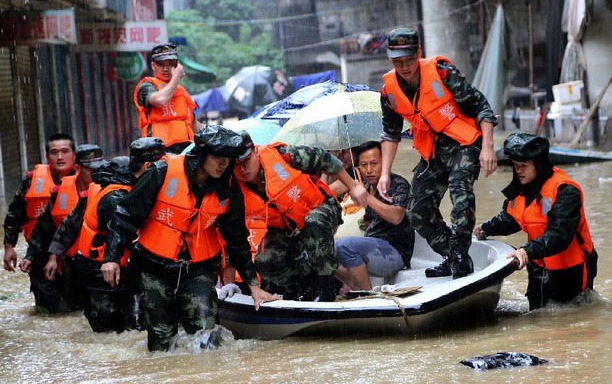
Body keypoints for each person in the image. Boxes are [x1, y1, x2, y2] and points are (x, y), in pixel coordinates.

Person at [100, 125, 278, 351]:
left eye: (228, 159)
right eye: (217, 157)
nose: (224, 165)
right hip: (153, 268)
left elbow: (237, 239)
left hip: (198, 270)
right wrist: (111, 258)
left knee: (207, 338)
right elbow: (126, 216)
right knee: (161, 344)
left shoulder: (229, 188)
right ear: (202, 154)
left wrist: (253, 284)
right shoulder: (161, 172)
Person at [377, 27, 498, 279]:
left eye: (410, 60)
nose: (405, 67)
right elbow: (391, 134)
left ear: (418, 53)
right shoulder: (388, 92)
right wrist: (384, 174)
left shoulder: (442, 73)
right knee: (416, 210)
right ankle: (452, 255)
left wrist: (487, 147)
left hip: (464, 143)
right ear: (391, 60)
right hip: (432, 151)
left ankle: (461, 260)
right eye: (399, 62)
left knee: (460, 195)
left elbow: (482, 107)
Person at [44, 138, 166, 333]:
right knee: (111, 331)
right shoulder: (116, 197)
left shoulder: (125, 187)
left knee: (128, 328)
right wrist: (54, 255)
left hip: (115, 271)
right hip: (100, 274)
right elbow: (72, 225)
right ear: (147, 166)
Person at [233, 134, 368, 301]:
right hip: (287, 230)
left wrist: (353, 185)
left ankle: (325, 287)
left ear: (255, 151)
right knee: (264, 261)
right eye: (236, 165)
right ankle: (305, 287)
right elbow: (230, 234)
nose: (242, 169)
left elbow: (324, 158)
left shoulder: (283, 155)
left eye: (246, 161)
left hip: (321, 211)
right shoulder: (233, 187)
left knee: (313, 221)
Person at [473, 133, 598, 310]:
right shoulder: (521, 188)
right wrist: (484, 229)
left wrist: (527, 250)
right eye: (516, 166)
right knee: (537, 319)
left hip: (571, 273)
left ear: (539, 165)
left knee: (571, 323)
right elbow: (511, 218)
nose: (519, 171)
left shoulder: (566, 191)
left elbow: (559, 235)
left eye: (524, 166)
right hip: (538, 270)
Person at [20, 144, 105, 313]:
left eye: (100, 168)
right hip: (69, 266)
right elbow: (43, 229)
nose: (97, 174)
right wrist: (31, 256)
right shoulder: (60, 193)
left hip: (98, 266)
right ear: (78, 168)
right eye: (91, 170)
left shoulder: (108, 190)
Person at [334, 141, 415, 291]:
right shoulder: (363, 186)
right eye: (364, 165)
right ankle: (354, 286)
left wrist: (366, 197)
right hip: (371, 248)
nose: (369, 170)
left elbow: (396, 217)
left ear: (384, 163)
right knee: (323, 251)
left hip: (394, 253)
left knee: (343, 245)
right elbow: (326, 192)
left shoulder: (398, 184)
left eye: (374, 163)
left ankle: (367, 293)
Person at [3, 133, 76, 273]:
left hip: (75, 259)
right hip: (39, 255)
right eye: (54, 153)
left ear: (74, 155)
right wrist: (9, 246)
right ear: (47, 157)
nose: (60, 157)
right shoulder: (32, 182)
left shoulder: (85, 180)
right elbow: (14, 214)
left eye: (65, 151)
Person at [134, 43, 202, 154]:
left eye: (170, 64)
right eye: (160, 64)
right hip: (158, 155)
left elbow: (194, 124)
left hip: (186, 153)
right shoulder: (146, 86)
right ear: (153, 65)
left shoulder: (181, 91)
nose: (165, 68)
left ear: (177, 65)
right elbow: (161, 100)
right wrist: (176, 77)